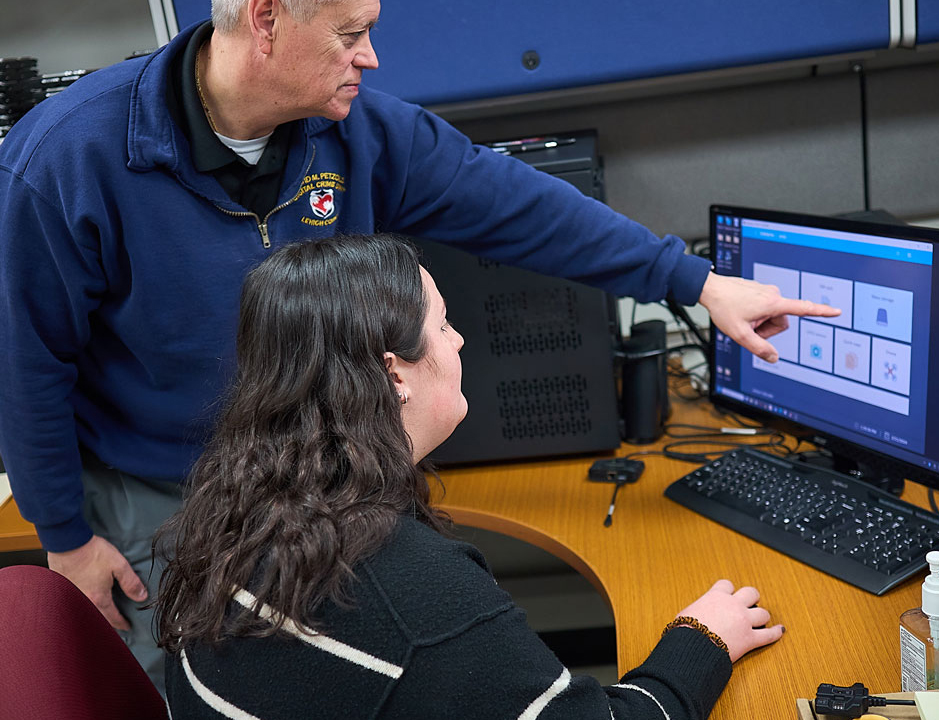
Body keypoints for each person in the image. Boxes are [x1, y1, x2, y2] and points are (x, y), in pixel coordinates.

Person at [0, 0, 837, 689]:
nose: (370, 59)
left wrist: (693, 282)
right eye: (351, 35)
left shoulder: (356, 132)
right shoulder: (69, 158)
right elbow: (24, 364)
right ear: (265, 20)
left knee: (372, 677)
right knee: (210, 693)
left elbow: (516, 206)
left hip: (331, 478)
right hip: (165, 486)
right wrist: (67, 539)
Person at [155, 234, 784, 719]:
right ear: (393, 373)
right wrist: (703, 639)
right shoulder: (407, 592)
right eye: (443, 325)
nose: (458, 344)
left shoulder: (241, 512)